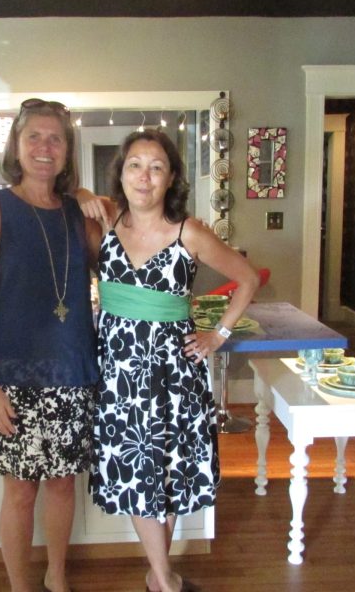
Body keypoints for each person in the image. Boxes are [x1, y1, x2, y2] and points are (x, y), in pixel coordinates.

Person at [84, 129, 259, 592]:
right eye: (135, 165)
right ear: (121, 174)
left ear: (171, 178)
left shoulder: (190, 231)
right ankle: (165, 581)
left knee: (170, 470)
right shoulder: (105, 223)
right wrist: (83, 194)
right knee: (138, 471)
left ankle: (159, 577)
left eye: (156, 167)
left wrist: (218, 334)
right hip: (119, 374)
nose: (144, 176)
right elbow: (68, 198)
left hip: (175, 373)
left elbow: (247, 278)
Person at [0, 98, 101, 592]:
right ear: (16, 147)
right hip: (13, 379)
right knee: (20, 492)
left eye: (55, 138)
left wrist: (91, 197)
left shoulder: (81, 213)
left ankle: (56, 577)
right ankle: (21, 586)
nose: (45, 147)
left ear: (67, 150)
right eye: (34, 137)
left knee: (63, 486)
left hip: (73, 371)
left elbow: (120, 258)